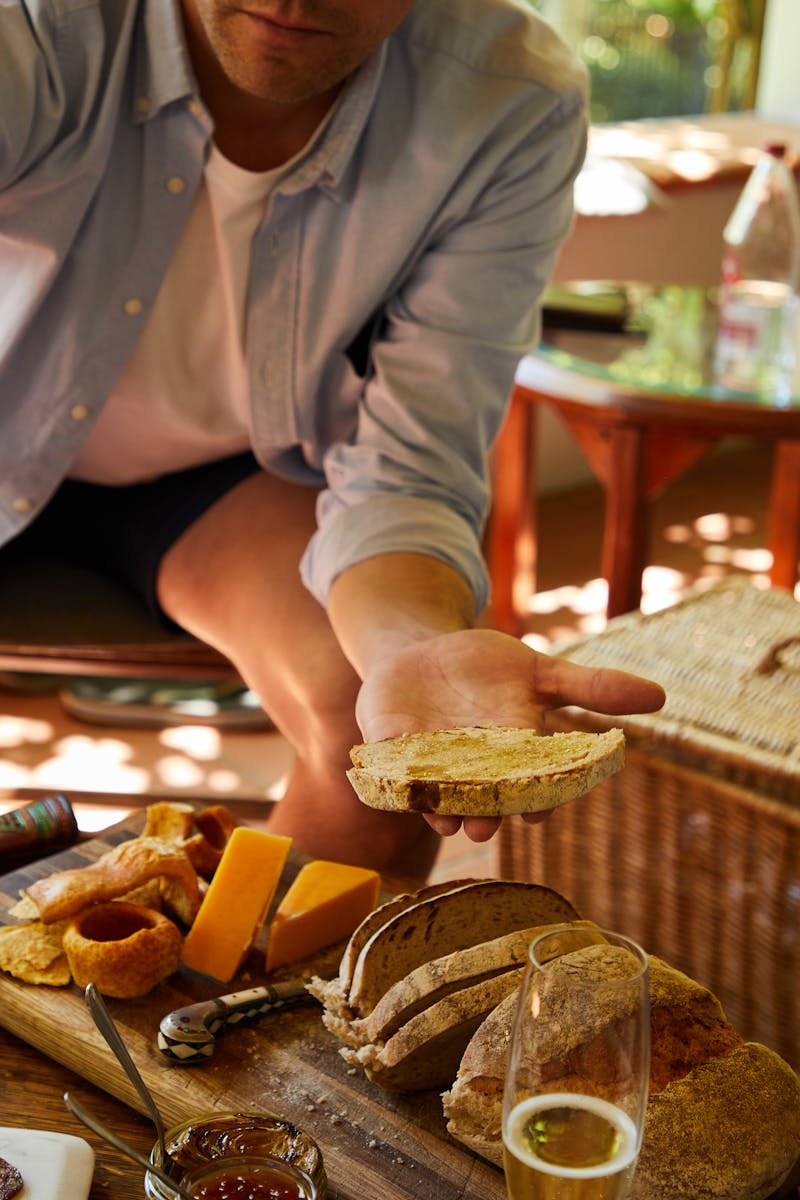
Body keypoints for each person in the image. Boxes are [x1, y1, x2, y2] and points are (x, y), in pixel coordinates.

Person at [0, 0, 665, 882]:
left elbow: (410, 464)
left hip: (219, 479)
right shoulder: (41, 26)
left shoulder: (509, 101)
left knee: (390, 738)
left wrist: (407, 643)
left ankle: (236, 1017)